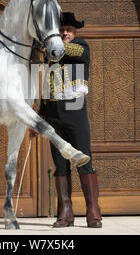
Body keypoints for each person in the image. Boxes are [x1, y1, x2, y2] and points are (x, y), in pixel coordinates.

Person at [31, 12, 102, 228]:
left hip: (75, 111)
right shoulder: (50, 55)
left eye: (69, 29)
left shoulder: (81, 47)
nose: (65, 33)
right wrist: (39, 120)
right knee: (60, 165)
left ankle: (93, 211)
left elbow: (68, 51)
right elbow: (46, 88)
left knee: (84, 160)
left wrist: (45, 45)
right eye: (62, 29)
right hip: (53, 114)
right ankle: (65, 212)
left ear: (75, 31)